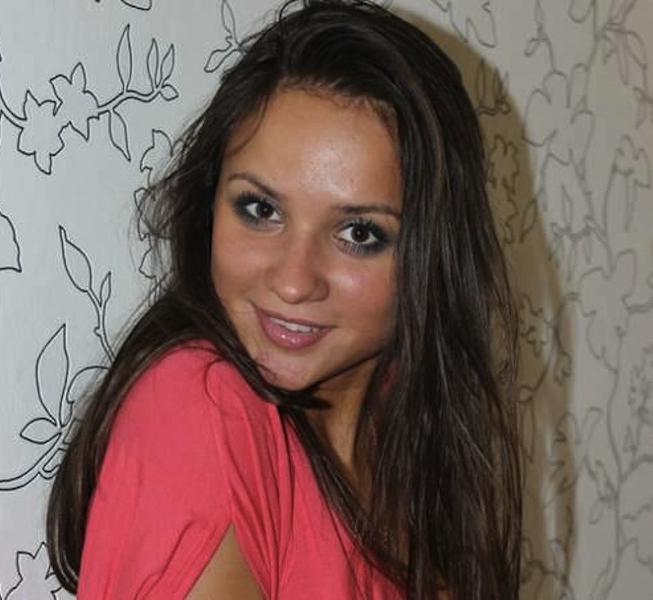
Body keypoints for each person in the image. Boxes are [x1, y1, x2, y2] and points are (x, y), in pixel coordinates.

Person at [46, 0, 521, 598]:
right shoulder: (204, 408)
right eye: (260, 209)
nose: (294, 282)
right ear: (210, 203)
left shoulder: (413, 423)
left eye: (359, 233)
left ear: (434, 253)